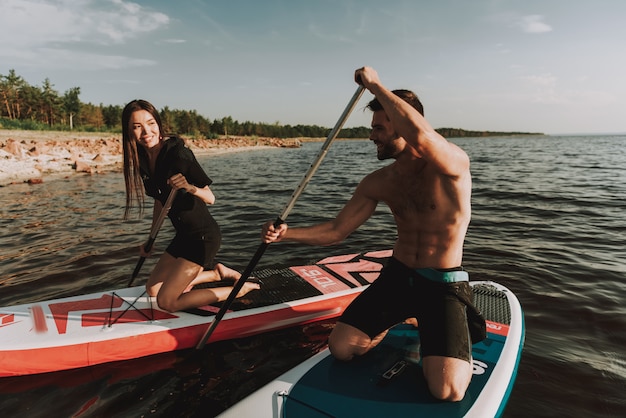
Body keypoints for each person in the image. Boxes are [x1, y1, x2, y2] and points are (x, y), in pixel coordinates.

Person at [262, 67, 485, 401]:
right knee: (341, 349)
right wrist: (287, 234)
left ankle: (445, 326)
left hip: (441, 284)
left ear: (404, 127)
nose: (372, 136)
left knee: (448, 391)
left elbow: (423, 138)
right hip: (398, 277)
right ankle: (401, 317)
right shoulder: (379, 181)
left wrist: (375, 85)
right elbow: (337, 231)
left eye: (379, 128)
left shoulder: (451, 164)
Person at [122, 99, 259, 312]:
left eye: (150, 123)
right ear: (129, 131)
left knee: (166, 302)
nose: (145, 131)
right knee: (153, 290)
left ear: (158, 124)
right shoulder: (142, 160)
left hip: (203, 238)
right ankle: (217, 273)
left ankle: (238, 289)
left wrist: (188, 186)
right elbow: (160, 202)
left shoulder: (178, 154)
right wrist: (150, 240)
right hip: (183, 237)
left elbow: (211, 198)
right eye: (137, 127)